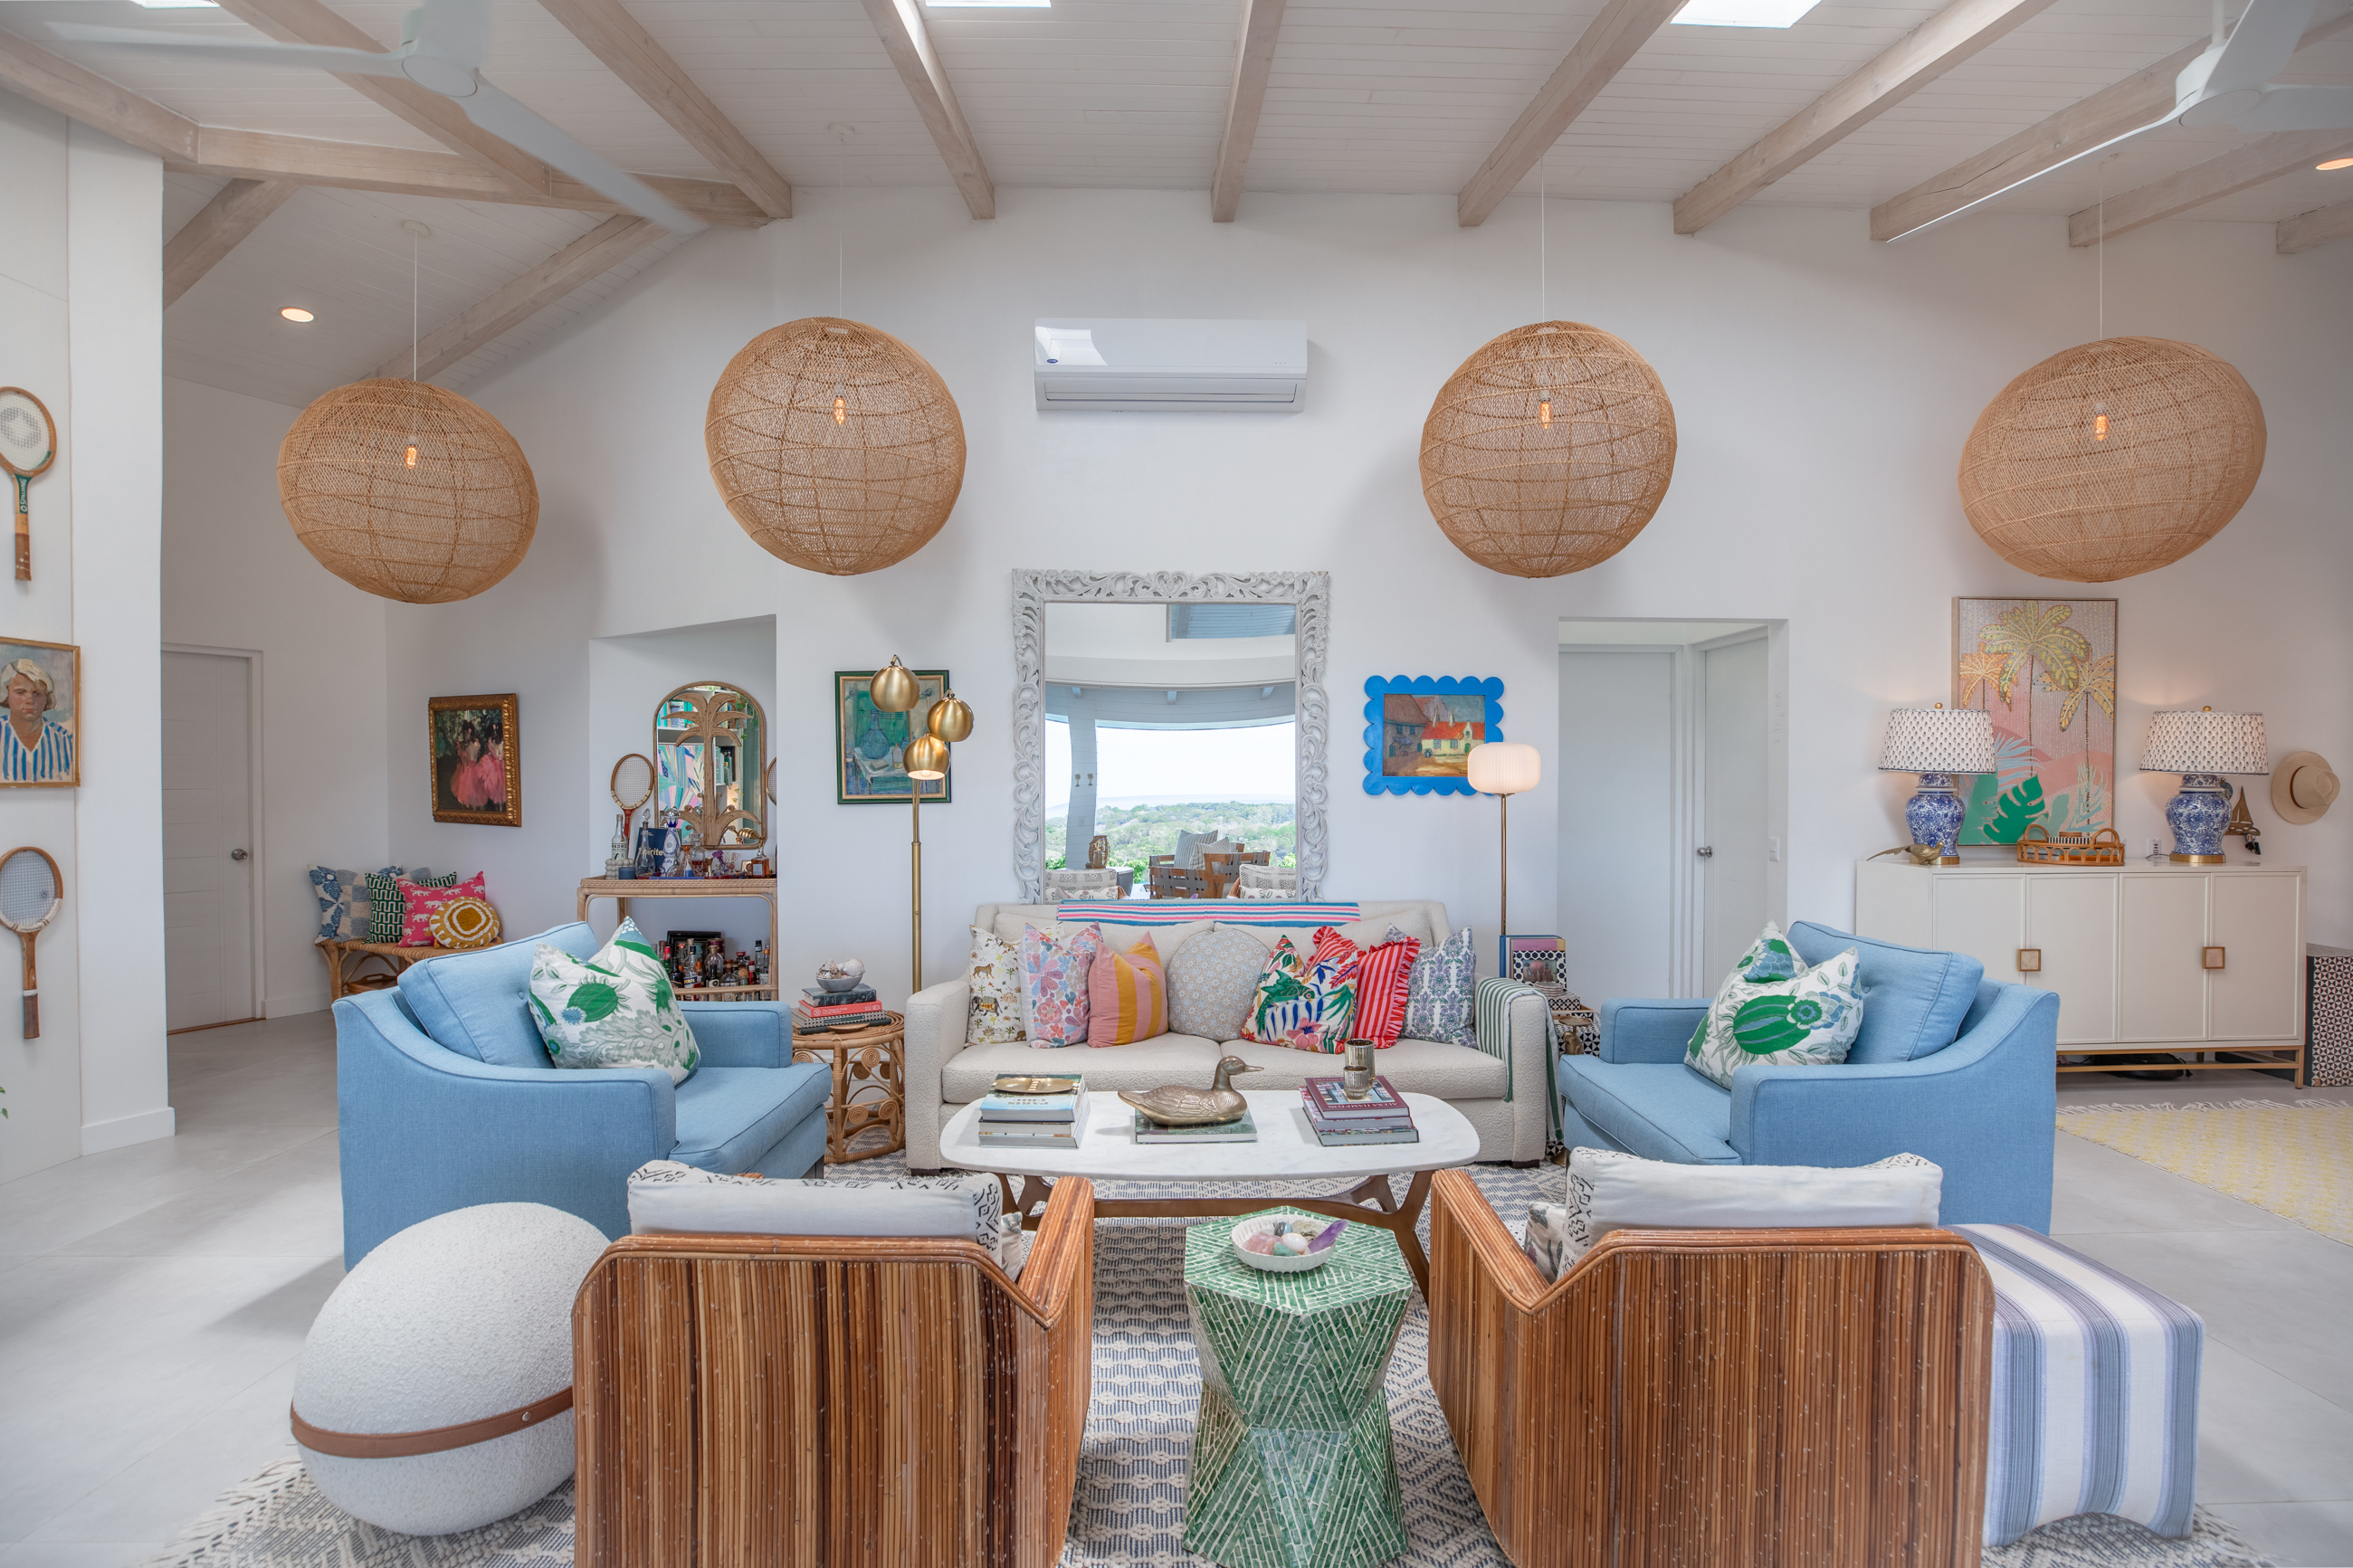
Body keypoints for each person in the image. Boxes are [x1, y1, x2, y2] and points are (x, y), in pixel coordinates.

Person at [1, 657, 71, 783]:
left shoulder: (66, 741)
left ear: (46, 698)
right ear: (6, 696)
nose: (30, 700)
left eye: (37, 693)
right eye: (20, 692)